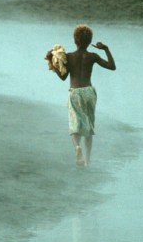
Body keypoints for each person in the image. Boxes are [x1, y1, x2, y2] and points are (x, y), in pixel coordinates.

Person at [45, 24, 116, 166]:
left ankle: (77, 147)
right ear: (90, 41)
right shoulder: (93, 56)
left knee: (74, 124)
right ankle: (88, 160)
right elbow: (112, 66)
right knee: (88, 125)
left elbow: (63, 77)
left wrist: (51, 62)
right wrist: (106, 49)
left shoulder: (69, 57)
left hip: (75, 92)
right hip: (89, 92)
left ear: (74, 40)